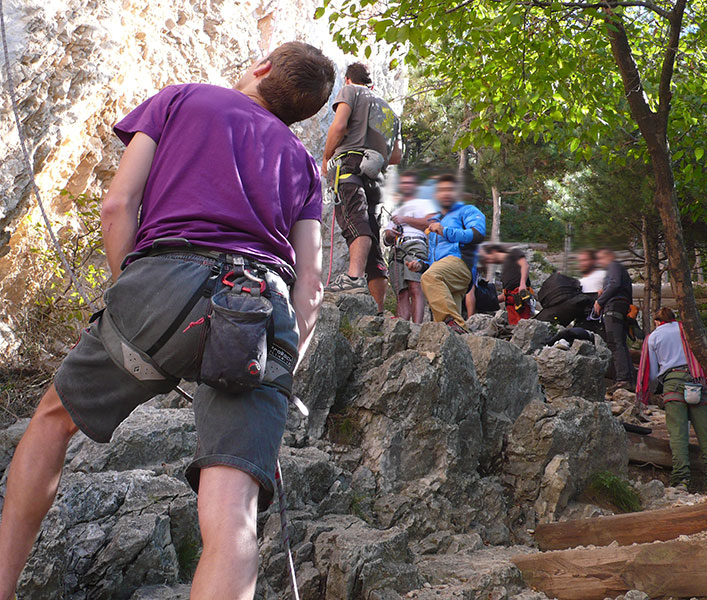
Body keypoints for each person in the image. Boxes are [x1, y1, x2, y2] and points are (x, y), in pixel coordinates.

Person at [0, 42, 335, 600]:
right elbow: (313, 282)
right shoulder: (302, 163)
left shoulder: (181, 100)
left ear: (263, 67)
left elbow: (117, 205)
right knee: (234, 515)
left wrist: (129, 299)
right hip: (261, 312)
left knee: (53, 420)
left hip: (167, 280)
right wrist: (281, 367)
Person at [322, 62, 402, 314]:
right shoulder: (390, 111)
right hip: (376, 174)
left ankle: (353, 279)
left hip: (350, 165)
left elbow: (340, 125)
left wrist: (326, 158)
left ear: (347, 80)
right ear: (373, 84)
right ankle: (378, 309)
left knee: (356, 220)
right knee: (372, 233)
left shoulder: (351, 92)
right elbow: (397, 155)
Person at [636, 308, 707, 491]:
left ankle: (681, 481)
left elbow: (651, 373)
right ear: (673, 318)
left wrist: (649, 393)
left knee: (678, 434)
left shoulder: (654, 337)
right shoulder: (688, 330)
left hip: (673, 383)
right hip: (697, 382)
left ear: (657, 321)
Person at [406, 175, 486, 334]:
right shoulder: (435, 222)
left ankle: (454, 324)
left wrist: (446, 232)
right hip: (446, 275)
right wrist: (421, 266)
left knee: (430, 277)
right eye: (442, 190)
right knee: (446, 329)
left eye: (451, 189)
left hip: (461, 263)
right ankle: (461, 339)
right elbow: (435, 261)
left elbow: (477, 234)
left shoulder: (467, 210)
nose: (446, 193)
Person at [383, 170, 437, 323]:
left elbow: (430, 223)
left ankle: (417, 327)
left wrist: (405, 219)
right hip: (397, 248)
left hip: (416, 243)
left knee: (415, 287)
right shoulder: (396, 209)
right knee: (401, 291)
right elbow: (386, 239)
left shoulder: (425, 203)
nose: (406, 186)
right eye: (404, 183)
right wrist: (389, 234)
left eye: (410, 183)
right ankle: (402, 326)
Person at [594, 248, 635, 391]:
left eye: (601, 258)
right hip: (621, 307)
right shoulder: (618, 269)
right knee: (621, 343)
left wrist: (600, 300)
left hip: (614, 307)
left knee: (615, 342)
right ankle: (629, 379)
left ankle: (622, 380)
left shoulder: (613, 265)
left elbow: (615, 284)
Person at [483, 243, 534, 325]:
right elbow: (505, 294)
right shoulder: (504, 269)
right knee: (514, 326)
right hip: (510, 302)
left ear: (493, 251)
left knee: (523, 323)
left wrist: (522, 284)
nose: (489, 261)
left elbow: (525, 265)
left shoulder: (513, 253)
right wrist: (491, 302)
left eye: (488, 258)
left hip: (521, 296)